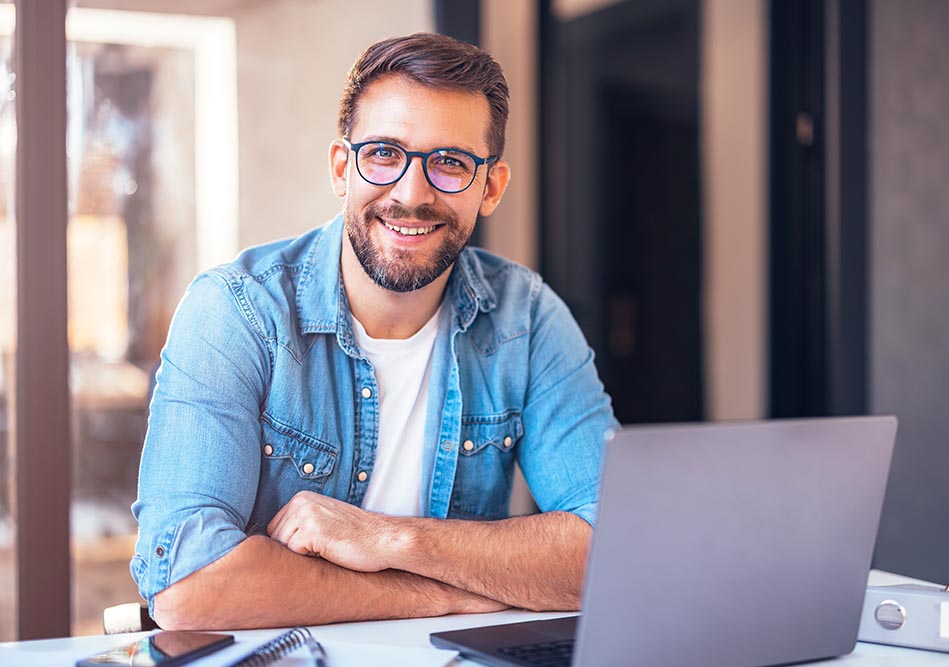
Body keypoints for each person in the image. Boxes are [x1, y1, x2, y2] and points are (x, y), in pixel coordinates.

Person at [132, 32, 617, 630]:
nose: (411, 195)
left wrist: (394, 541)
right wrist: (446, 593)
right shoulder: (235, 312)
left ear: (490, 187)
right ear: (343, 167)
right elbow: (187, 585)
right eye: (385, 153)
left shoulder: (528, 320)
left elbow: (615, 548)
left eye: (450, 163)